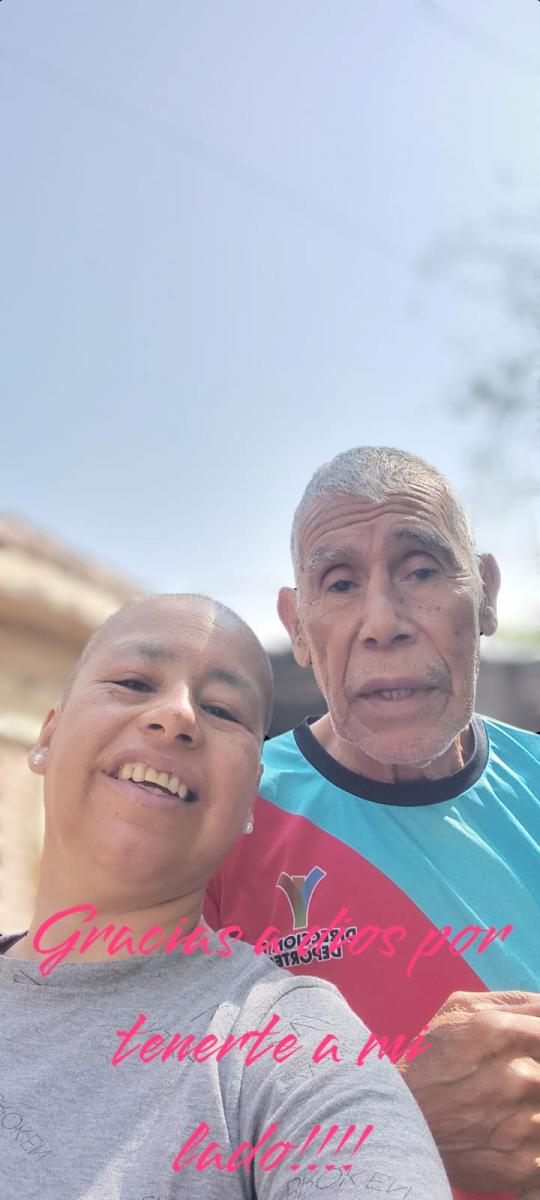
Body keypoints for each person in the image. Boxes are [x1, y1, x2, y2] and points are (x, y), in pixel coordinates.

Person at [0, 593, 451, 1200]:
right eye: (134, 682)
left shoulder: (290, 1041)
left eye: (222, 709)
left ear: (250, 802)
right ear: (47, 737)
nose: (176, 716)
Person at [205, 447, 540, 1200]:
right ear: (298, 623)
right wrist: (394, 1131)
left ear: (482, 594)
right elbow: (136, 1132)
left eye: (421, 570)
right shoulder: (222, 825)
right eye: (340, 583)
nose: (382, 623)